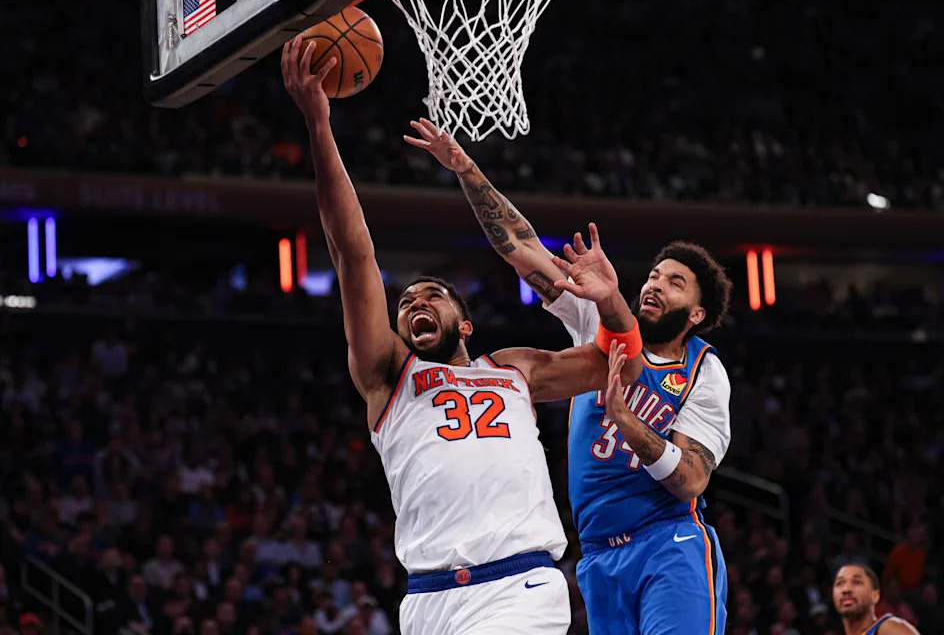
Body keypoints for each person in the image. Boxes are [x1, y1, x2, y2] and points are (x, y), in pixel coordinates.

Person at [282, 37, 642, 635]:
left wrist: (610, 302)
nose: (415, 303)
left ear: (464, 324)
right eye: (405, 303)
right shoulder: (386, 374)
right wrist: (320, 125)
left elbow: (624, 365)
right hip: (427, 601)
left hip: (519, 587)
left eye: (432, 296)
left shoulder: (514, 369)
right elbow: (352, 251)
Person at [407, 124, 733, 635]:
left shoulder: (704, 370)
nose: (655, 284)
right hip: (598, 557)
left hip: (668, 541)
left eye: (675, 283)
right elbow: (520, 246)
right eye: (653, 274)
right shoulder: (598, 320)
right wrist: (466, 170)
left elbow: (691, 479)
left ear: (696, 314)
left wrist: (630, 426)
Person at [833, 564, 921, 634]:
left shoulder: (887, 628)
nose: (846, 589)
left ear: (875, 596)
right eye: (840, 583)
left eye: (857, 582)